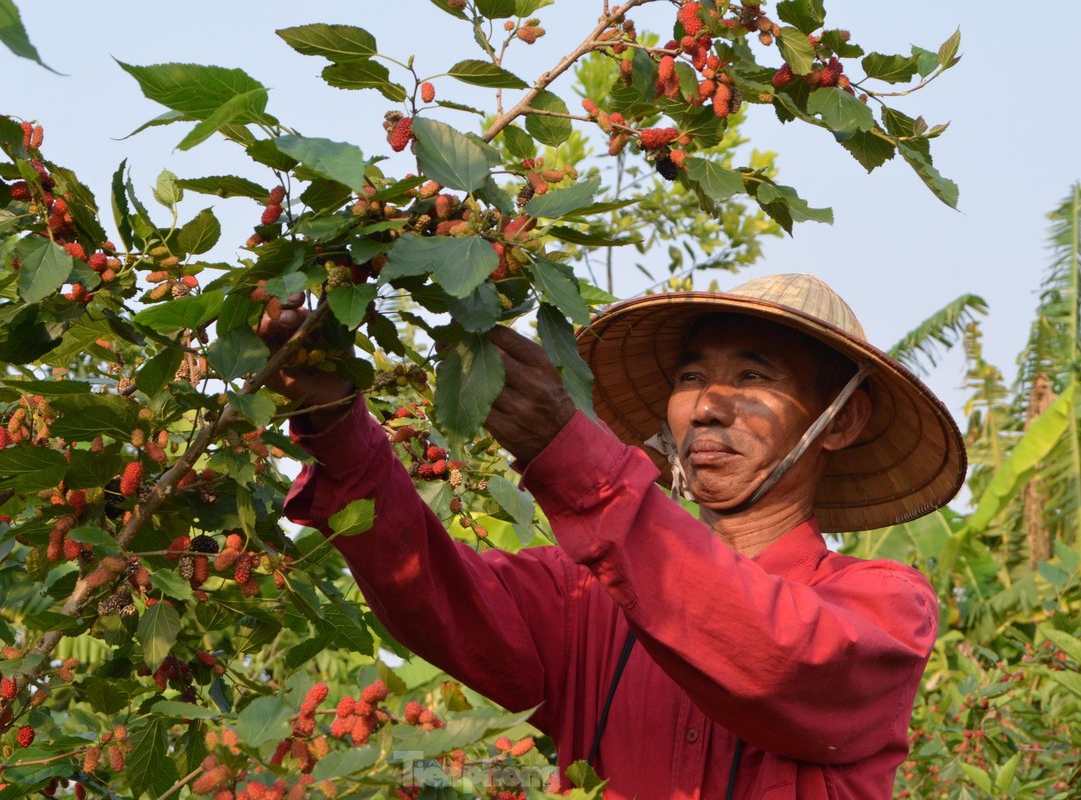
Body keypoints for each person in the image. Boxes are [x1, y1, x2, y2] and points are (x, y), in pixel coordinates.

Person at [260, 273, 966, 800]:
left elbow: (777, 656)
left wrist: (572, 459)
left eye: (753, 376)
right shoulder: (585, 600)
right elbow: (433, 596)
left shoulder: (885, 607)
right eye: (692, 377)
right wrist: (338, 427)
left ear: (839, 423)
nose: (709, 405)